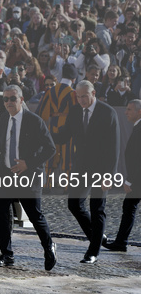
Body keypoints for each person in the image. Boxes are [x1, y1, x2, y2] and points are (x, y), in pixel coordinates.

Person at [0, 85, 57, 271]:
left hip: (28, 175)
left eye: (12, 98)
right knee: (1, 213)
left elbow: (50, 149)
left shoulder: (34, 121)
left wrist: (28, 164)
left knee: (34, 215)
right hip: (6, 174)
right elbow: (1, 145)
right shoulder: (3, 119)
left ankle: (49, 248)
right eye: (5, 99)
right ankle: (6, 254)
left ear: (21, 100)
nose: (8, 102)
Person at [52, 80, 120, 264]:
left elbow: (114, 148)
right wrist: (46, 133)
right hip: (81, 167)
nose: (81, 100)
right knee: (74, 204)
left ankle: (93, 251)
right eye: (78, 96)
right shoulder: (74, 111)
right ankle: (98, 236)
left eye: (84, 96)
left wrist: (109, 175)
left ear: (93, 93)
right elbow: (64, 136)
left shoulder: (108, 113)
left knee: (97, 208)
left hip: (101, 168)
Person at [103, 100, 141, 252]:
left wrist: (130, 180)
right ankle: (121, 242)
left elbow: (138, 157)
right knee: (129, 207)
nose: (126, 112)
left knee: (129, 207)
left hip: (137, 179)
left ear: (139, 111)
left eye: (129, 110)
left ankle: (121, 242)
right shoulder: (137, 127)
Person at [36, 64, 78, 186]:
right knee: (68, 156)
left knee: (50, 155)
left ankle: (47, 184)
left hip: (52, 125)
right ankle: (67, 185)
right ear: (74, 79)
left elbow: (41, 112)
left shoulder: (50, 91)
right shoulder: (72, 93)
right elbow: (75, 113)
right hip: (67, 127)